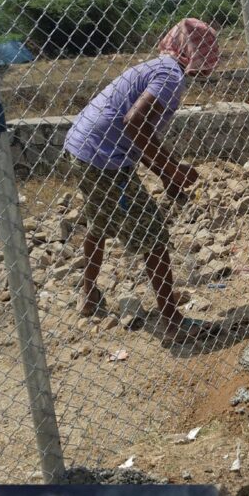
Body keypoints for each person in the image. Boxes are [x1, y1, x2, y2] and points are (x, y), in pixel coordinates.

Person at [63, 18, 220, 346]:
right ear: (195, 52)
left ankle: (89, 294)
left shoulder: (159, 67)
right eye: (208, 53)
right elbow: (135, 123)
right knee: (153, 233)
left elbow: (139, 134)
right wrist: (174, 168)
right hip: (105, 157)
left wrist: (166, 176)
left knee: (99, 221)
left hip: (81, 147)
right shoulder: (170, 76)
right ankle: (173, 324)